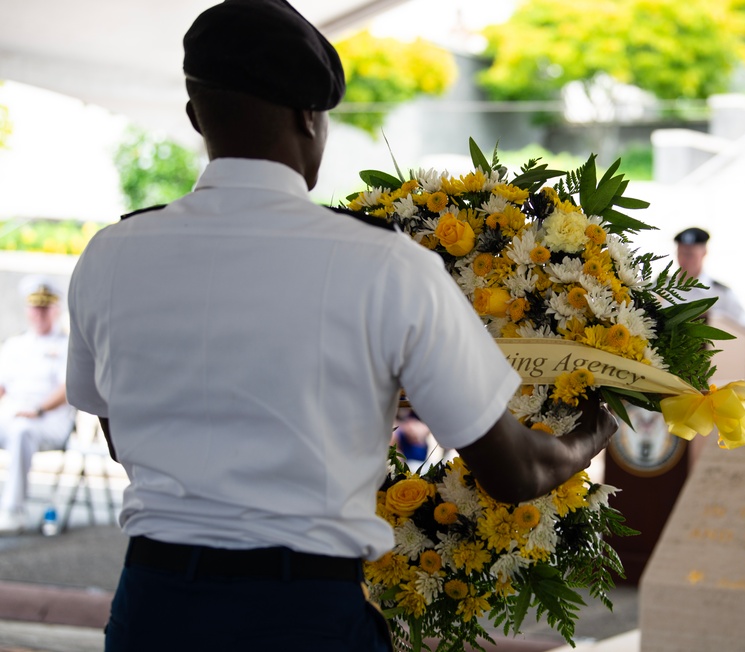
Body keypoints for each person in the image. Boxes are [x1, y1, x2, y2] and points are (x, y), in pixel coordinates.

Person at [65, 1, 617, 650]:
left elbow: (119, 433)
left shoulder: (111, 254)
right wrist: (594, 431)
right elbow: (515, 472)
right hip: (300, 615)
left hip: (153, 611)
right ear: (309, 116)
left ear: (196, 116)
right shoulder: (386, 265)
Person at [0, 275, 75, 534]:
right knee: (17, 425)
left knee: (22, 429)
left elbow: (68, 388)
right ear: (28, 310)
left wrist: (38, 409)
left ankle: (13, 509)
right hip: (12, 414)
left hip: (48, 419)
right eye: (36, 307)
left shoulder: (68, 346)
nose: (40, 313)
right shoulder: (15, 345)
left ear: (56, 309)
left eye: (46, 307)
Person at [674, 227, 745, 335]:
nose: (684, 259)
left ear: (704, 253)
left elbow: (744, 334)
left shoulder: (722, 294)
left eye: (690, 254)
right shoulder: (661, 288)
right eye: (681, 253)